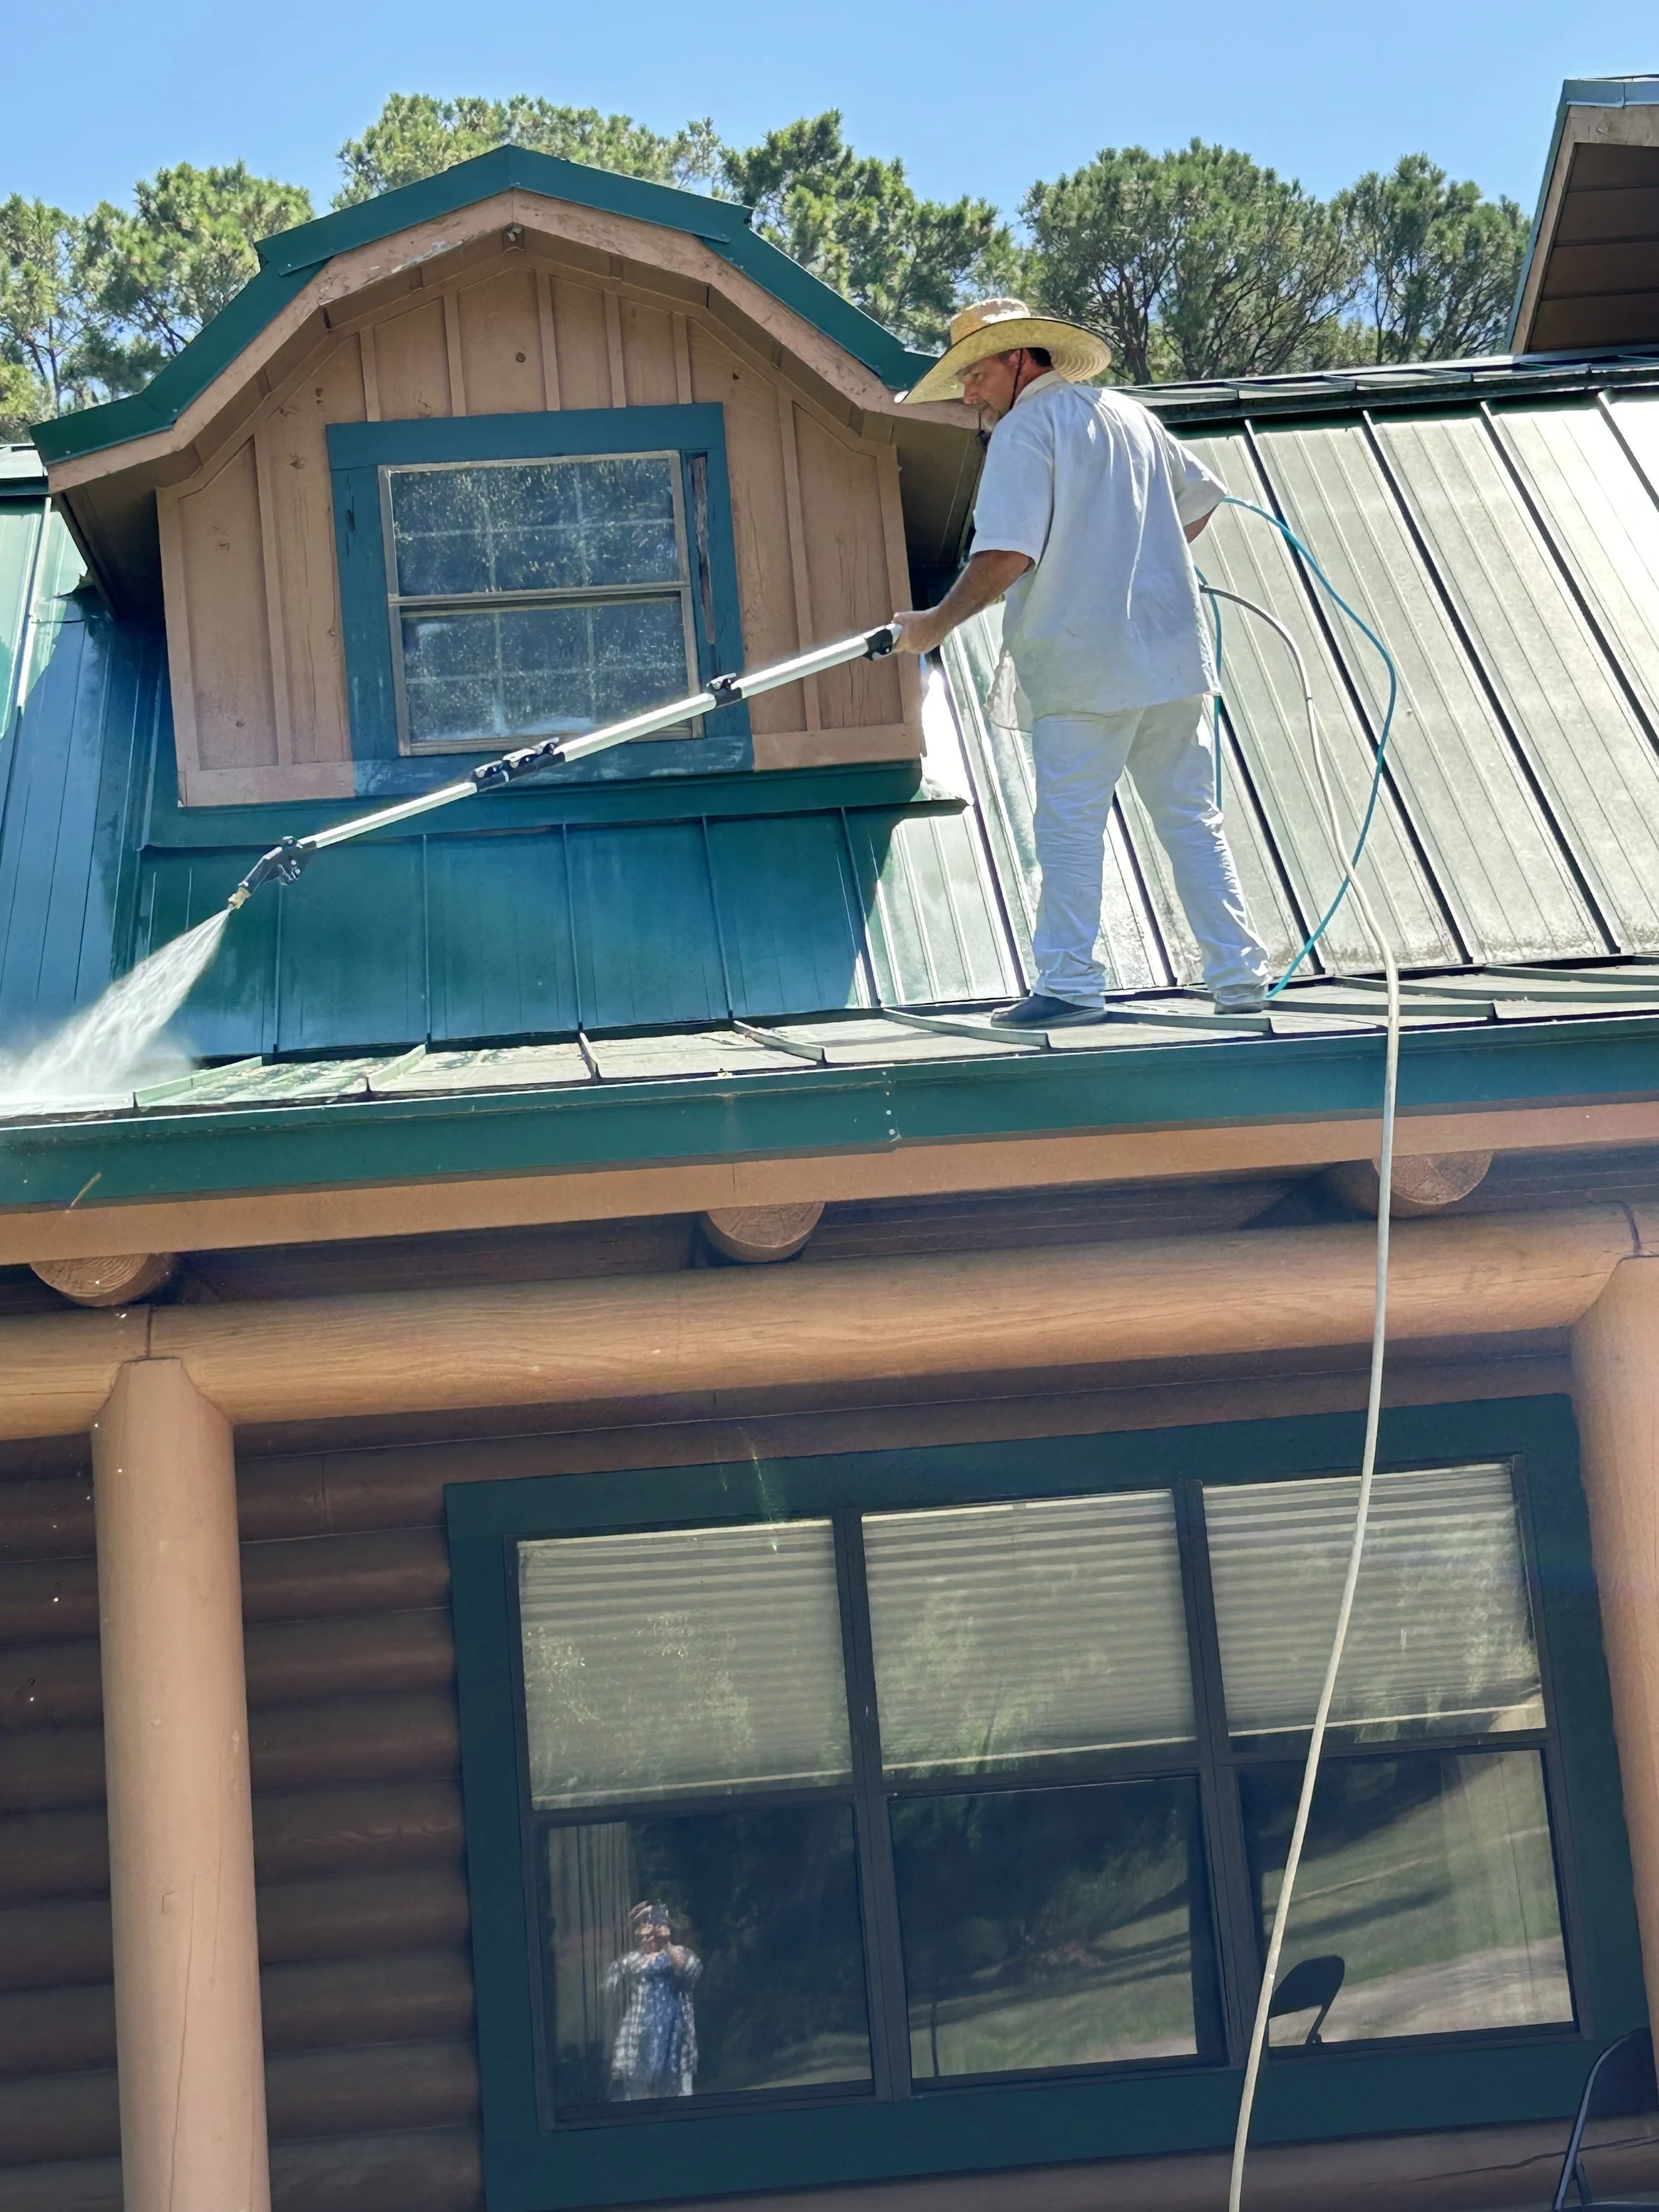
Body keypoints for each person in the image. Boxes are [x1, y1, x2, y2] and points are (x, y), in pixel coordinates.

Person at [893, 299, 1271, 1026]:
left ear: (1018, 359)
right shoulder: (1129, 415)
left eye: (974, 373)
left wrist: (933, 625)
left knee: (1068, 823)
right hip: (1169, 654)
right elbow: (1202, 497)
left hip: (1082, 661)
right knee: (1191, 818)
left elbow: (1006, 553)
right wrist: (1133, 563)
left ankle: (1068, 984)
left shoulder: (1024, 430)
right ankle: (1238, 981)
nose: (968, 393)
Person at [604, 1900, 701, 2100]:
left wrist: (667, 1945)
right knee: (635, 2094)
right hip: (639, 2037)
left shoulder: (680, 1953)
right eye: (643, 1930)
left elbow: (691, 1971)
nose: (649, 1936)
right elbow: (609, 1987)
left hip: (675, 2035)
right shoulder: (631, 1961)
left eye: (654, 1929)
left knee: (679, 2093)